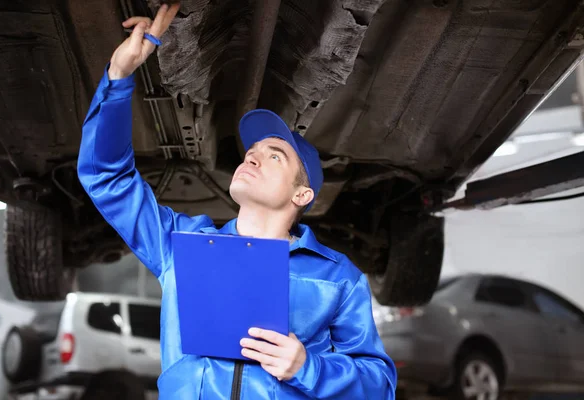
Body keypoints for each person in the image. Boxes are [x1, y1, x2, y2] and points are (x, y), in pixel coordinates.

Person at [77, 3, 397, 399]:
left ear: (303, 193)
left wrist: (307, 368)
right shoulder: (181, 245)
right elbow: (107, 176)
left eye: (274, 155)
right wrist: (119, 75)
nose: (252, 155)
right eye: (253, 150)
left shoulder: (337, 279)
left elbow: (379, 386)